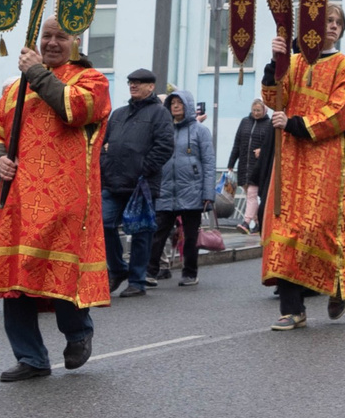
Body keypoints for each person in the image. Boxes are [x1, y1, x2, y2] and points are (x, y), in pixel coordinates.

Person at [0, 16, 111, 378]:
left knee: (59, 276)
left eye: (61, 37)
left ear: (76, 42)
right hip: (19, 200)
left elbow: (74, 110)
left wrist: (37, 73)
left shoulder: (91, 80)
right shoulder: (14, 89)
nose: (52, 43)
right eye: (46, 36)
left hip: (66, 201)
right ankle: (31, 358)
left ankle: (78, 333)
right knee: (15, 282)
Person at [261, 6, 345, 328]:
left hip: (328, 160)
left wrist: (294, 123)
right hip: (292, 161)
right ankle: (293, 309)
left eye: (337, 23)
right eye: (327, 22)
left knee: (320, 229)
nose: (332, 27)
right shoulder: (294, 63)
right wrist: (273, 63)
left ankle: (337, 287)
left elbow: (342, 111)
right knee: (285, 229)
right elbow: (272, 96)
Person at [98, 68, 175, 298]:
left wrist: (143, 169)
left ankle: (137, 280)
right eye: (131, 82)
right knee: (103, 224)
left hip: (142, 183)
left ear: (151, 87)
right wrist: (104, 163)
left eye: (139, 83)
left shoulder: (159, 113)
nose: (133, 85)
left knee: (141, 233)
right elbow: (103, 143)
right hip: (113, 181)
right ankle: (119, 268)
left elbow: (164, 147)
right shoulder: (119, 114)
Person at [154, 90, 217, 287]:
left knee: (190, 236)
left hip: (192, 191)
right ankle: (149, 271)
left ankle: (190, 272)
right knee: (158, 234)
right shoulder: (163, 129)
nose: (175, 106)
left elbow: (208, 162)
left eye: (179, 103)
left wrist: (208, 194)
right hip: (166, 190)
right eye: (172, 103)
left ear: (188, 105)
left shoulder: (200, 131)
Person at [229, 99, 275, 232]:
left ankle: (246, 223)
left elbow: (272, 145)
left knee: (251, 193)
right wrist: (231, 163)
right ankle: (259, 224)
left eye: (258, 111)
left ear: (264, 110)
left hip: (258, 166)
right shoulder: (244, 122)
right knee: (250, 195)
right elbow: (237, 143)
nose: (255, 113)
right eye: (254, 110)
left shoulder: (269, 124)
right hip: (244, 165)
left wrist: (262, 150)